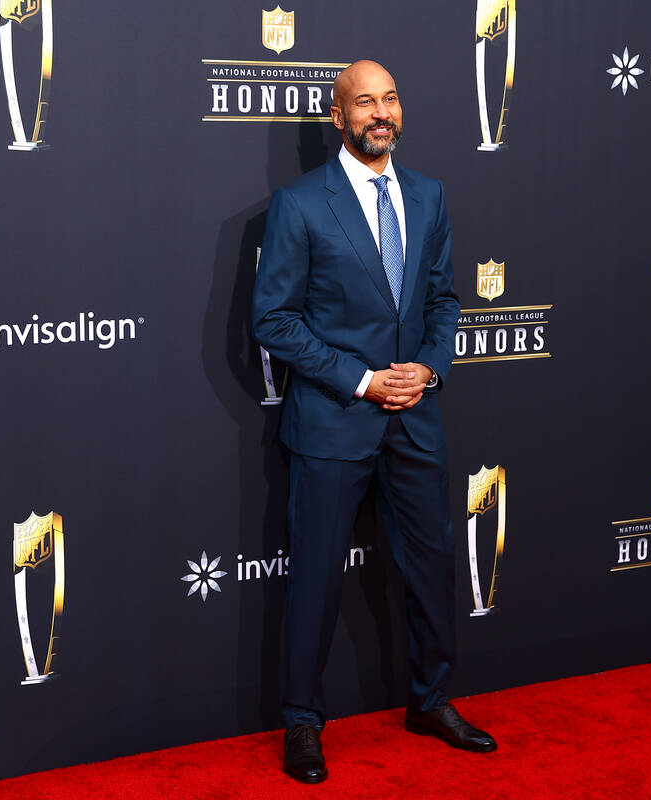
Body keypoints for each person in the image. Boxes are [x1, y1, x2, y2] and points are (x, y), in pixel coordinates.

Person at [251, 60, 496, 784]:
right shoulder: (299, 205)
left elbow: (445, 300)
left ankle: (431, 700)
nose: (380, 112)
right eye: (364, 102)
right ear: (338, 117)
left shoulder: (429, 196)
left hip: (417, 419)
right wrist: (360, 380)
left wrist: (431, 367)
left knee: (431, 568)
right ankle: (302, 721)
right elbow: (273, 319)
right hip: (333, 422)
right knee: (317, 580)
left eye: (389, 98)